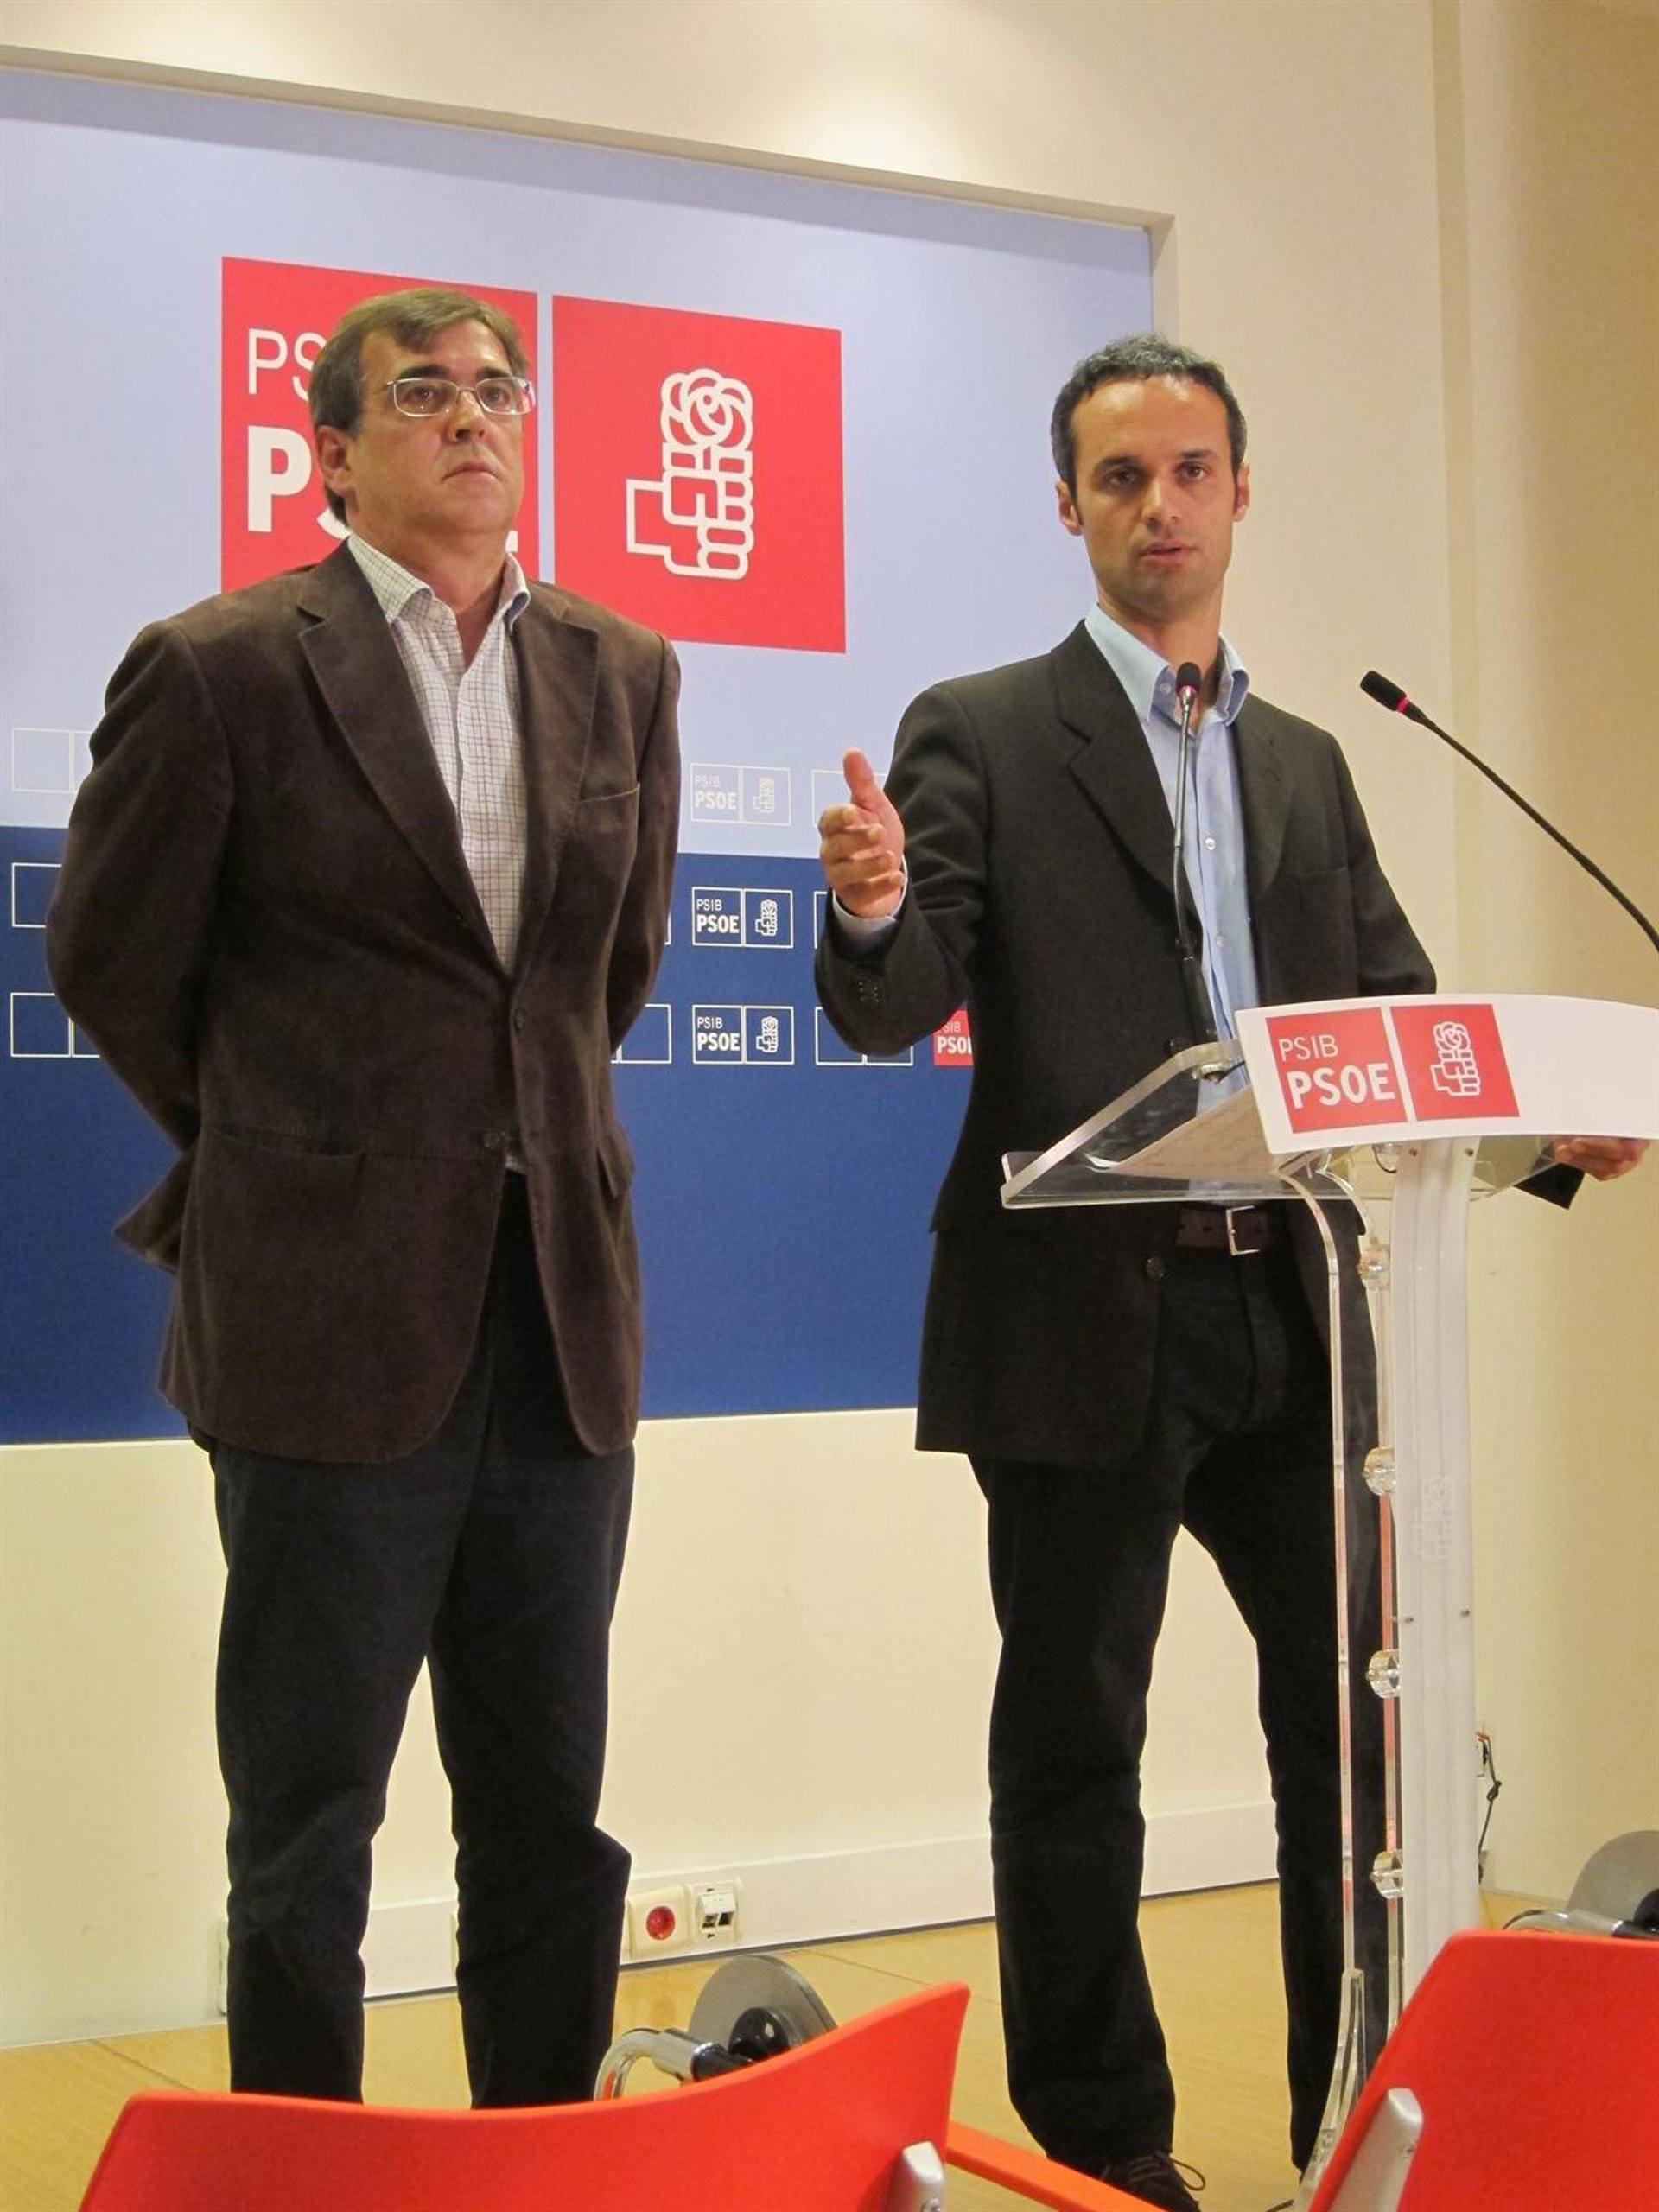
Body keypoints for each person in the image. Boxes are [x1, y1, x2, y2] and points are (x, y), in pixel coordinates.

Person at [815, 334, 1641, 2209]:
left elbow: (1399, 1018)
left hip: (1303, 1310)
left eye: (1192, 472)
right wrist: (869, 905)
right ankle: (1109, 2142)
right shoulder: (984, 730)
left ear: (1242, 492)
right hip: (1081, 1313)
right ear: (1069, 505)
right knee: (1076, 1740)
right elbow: (899, 996)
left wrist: (1541, 1130)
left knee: (1351, 1736)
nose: (1161, 507)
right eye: (1122, 477)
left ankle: (1352, 2119)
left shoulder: (1308, 763)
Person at [48, 288, 680, 2107]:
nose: (473, 418)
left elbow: (604, 974)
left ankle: (539, 2164)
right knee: (308, 1822)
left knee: (548, 1806)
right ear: (329, 453)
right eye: (422, 394)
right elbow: (114, 960)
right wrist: (294, 1143)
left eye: (497, 390)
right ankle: (297, 2168)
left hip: (558, 1315)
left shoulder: (623, 667)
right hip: (320, 1317)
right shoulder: (225, 664)